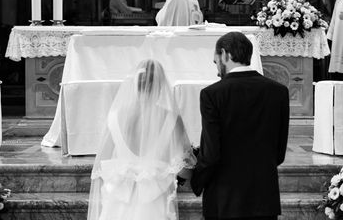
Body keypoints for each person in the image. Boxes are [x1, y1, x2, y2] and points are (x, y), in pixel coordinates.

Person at [191, 32, 290, 220]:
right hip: (264, 197)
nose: (217, 70)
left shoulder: (212, 94)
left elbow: (211, 154)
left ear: (225, 54)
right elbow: (279, 152)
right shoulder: (278, 91)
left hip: (225, 198)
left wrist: (196, 180)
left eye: (216, 62)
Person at [87, 59, 196, 220]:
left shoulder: (115, 116)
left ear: (134, 85)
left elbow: (102, 164)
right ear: (161, 87)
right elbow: (185, 171)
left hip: (118, 199)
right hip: (154, 201)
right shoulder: (171, 119)